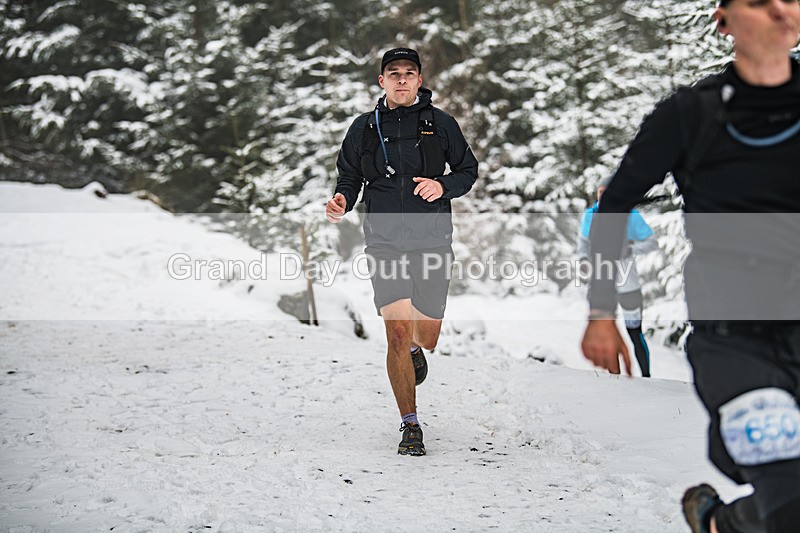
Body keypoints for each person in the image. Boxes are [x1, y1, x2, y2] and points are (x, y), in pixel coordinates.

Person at [580, 0, 800, 532]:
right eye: (758, 0)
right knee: (789, 495)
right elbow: (613, 207)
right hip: (734, 337)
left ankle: (725, 523)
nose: (779, 9)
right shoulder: (690, 113)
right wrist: (601, 313)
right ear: (722, 20)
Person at [325, 47, 478, 456]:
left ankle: (415, 349)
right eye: (394, 73)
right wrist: (342, 198)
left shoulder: (441, 124)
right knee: (395, 331)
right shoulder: (363, 128)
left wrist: (443, 185)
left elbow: (468, 170)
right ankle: (410, 425)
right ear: (382, 81)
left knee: (425, 335)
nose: (402, 79)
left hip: (431, 238)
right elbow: (349, 174)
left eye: (410, 73)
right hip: (385, 239)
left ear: (419, 79)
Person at [577, 175, 657, 377]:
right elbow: (583, 245)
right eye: (600, 192)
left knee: (634, 333)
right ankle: (615, 381)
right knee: (605, 330)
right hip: (601, 284)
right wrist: (584, 261)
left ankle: (647, 377)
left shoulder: (631, 214)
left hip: (628, 283)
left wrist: (629, 249)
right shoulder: (590, 214)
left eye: (608, 192)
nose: (604, 196)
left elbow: (651, 242)